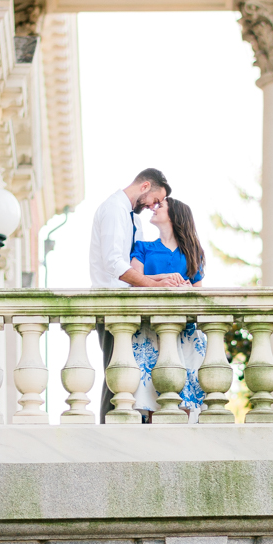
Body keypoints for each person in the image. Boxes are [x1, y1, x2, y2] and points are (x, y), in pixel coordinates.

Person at [90, 168, 183, 422]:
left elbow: (133, 272)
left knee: (131, 375)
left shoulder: (135, 220)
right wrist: (154, 286)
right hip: (111, 307)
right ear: (144, 187)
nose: (155, 206)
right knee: (116, 374)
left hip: (129, 305)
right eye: (155, 199)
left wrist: (161, 280)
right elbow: (114, 264)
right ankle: (110, 435)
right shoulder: (112, 209)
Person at [130, 197, 207, 423]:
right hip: (150, 330)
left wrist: (186, 287)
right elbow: (135, 281)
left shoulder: (194, 252)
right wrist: (162, 279)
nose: (154, 208)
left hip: (185, 332)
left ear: (174, 216)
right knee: (152, 396)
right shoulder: (143, 247)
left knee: (184, 396)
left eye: (160, 206)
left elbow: (199, 293)